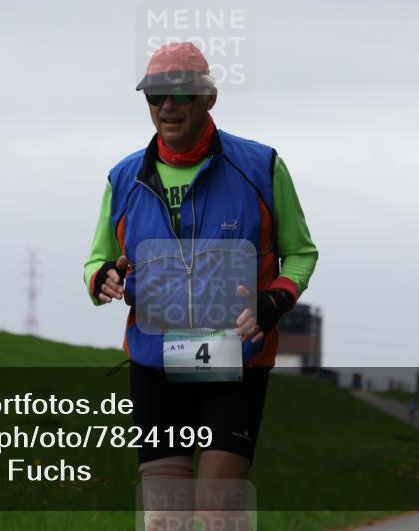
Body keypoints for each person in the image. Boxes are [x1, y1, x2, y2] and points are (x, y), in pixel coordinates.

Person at [83, 42, 318, 525]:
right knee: (165, 518)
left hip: (235, 361)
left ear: (208, 98)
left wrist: (275, 300)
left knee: (219, 513)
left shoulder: (260, 166)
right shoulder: (124, 177)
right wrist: (103, 278)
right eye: (155, 95)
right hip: (155, 362)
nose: (167, 106)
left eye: (181, 94)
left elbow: (300, 253)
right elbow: (97, 260)